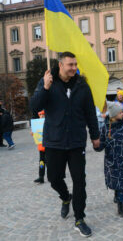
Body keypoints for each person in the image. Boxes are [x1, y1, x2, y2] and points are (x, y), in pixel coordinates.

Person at [30, 52, 99, 238]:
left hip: (76, 142)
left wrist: (95, 136)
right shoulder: (47, 81)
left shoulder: (82, 85)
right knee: (53, 178)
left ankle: (79, 218)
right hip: (54, 141)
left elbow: (90, 113)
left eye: (75, 64)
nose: (74, 67)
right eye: (70, 64)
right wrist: (45, 88)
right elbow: (34, 107)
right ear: (60, 65)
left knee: (80, 182)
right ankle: (65, 197)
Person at [95, 102, 123, 217]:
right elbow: (101, 145)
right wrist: (96, 144)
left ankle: (120, 205)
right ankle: (117, 195)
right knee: (114, 181)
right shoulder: (105, 128)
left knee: (121, 182)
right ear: (114, 115)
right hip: (110, 160)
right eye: (121, 112)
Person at [32, 110, 47, 184]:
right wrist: (33, 133)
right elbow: (35, 135)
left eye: (43, 115)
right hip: (41, 148)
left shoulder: (49, 123)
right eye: (40, 115)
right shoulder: (37, 124)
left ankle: (55, 175)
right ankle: (41, 177)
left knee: (51, 162)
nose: (41, 116)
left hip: (49, 147)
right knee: (41, 162)